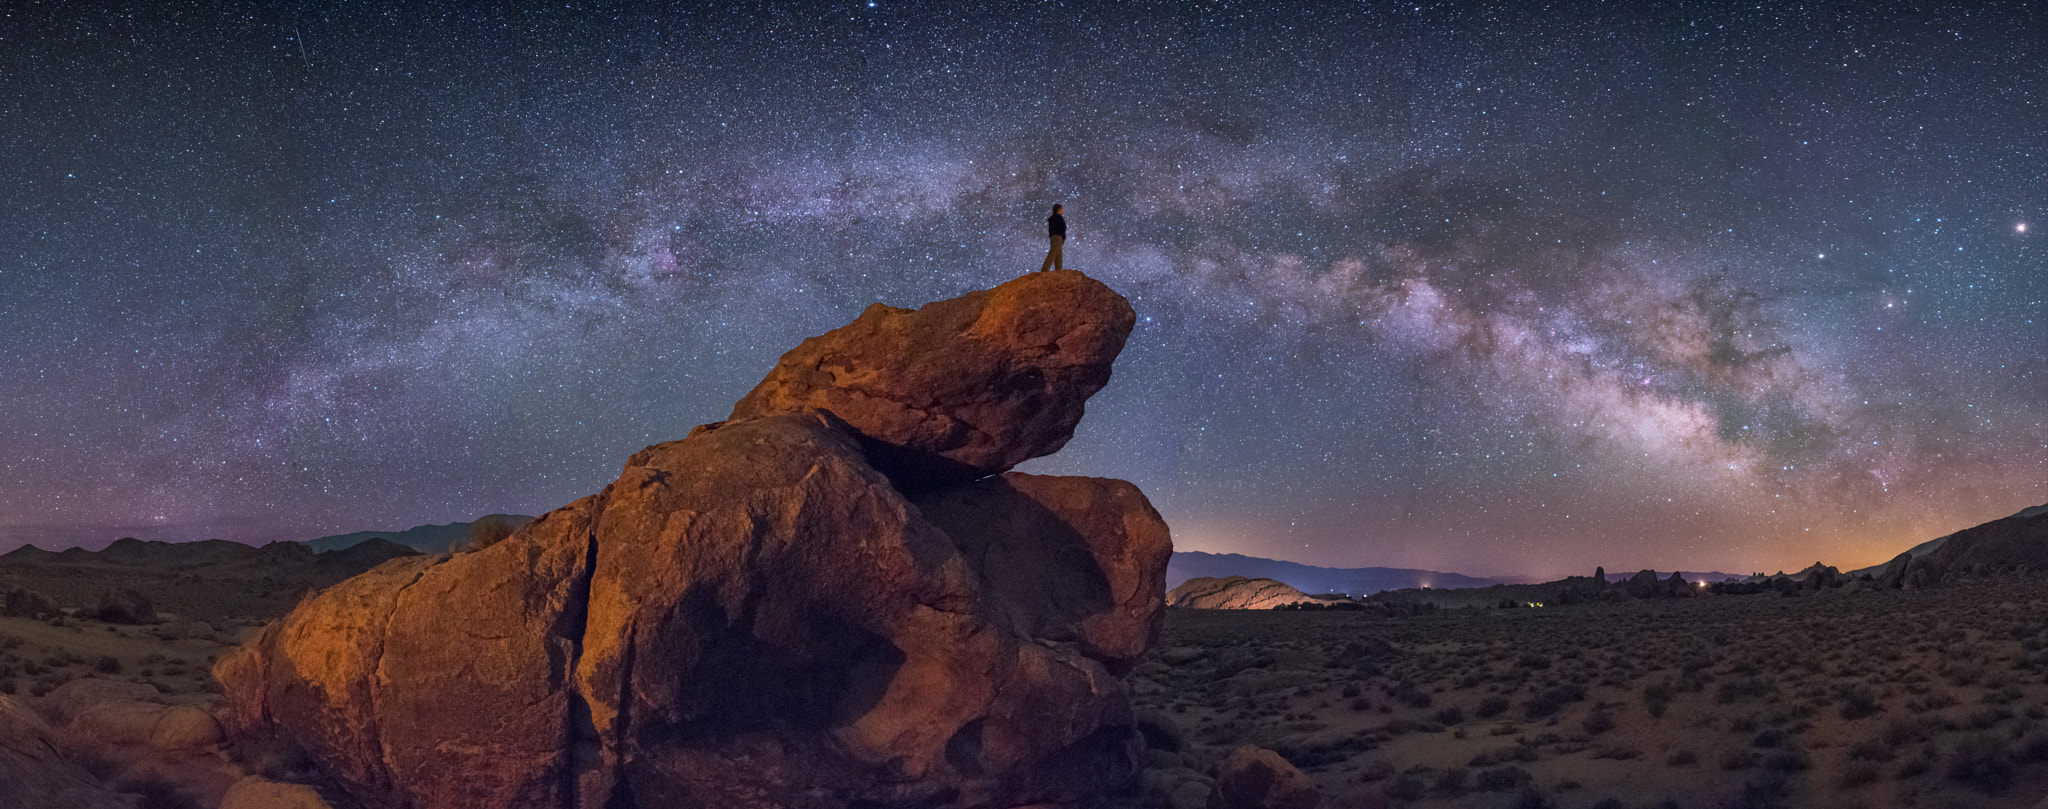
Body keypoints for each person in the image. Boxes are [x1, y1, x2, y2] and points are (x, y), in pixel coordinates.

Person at [1039, 204, 1066, 272]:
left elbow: (1051, 230)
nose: (1063, 210)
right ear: (1058, 209)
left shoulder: (1053, 218)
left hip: (1055, 238)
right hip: (1057, 238)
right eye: (1062, 209)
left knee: (1058, 256)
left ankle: (1058, 271)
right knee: (1053, 254)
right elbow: (1061, 228)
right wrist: (1060, 236)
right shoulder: (1058, 217)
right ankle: (1044, 270)